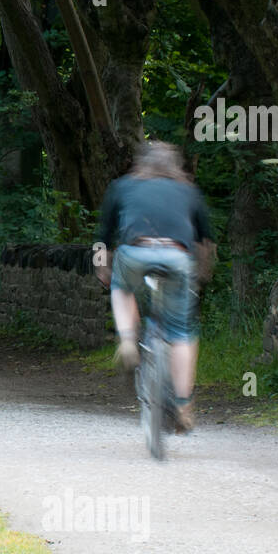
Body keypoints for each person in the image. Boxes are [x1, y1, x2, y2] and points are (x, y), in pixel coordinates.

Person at [94, 140, 215, 434]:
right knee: (182, 333)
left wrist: (101, 266)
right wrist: (202, 273)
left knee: (121, 288)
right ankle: (184, 405)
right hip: (176, 256)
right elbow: (206, 243)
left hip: (135, 251)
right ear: (174, 165)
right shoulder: (189, 191)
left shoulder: (122, 187)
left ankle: (126, 339)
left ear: (140, 163)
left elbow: (103, 237)